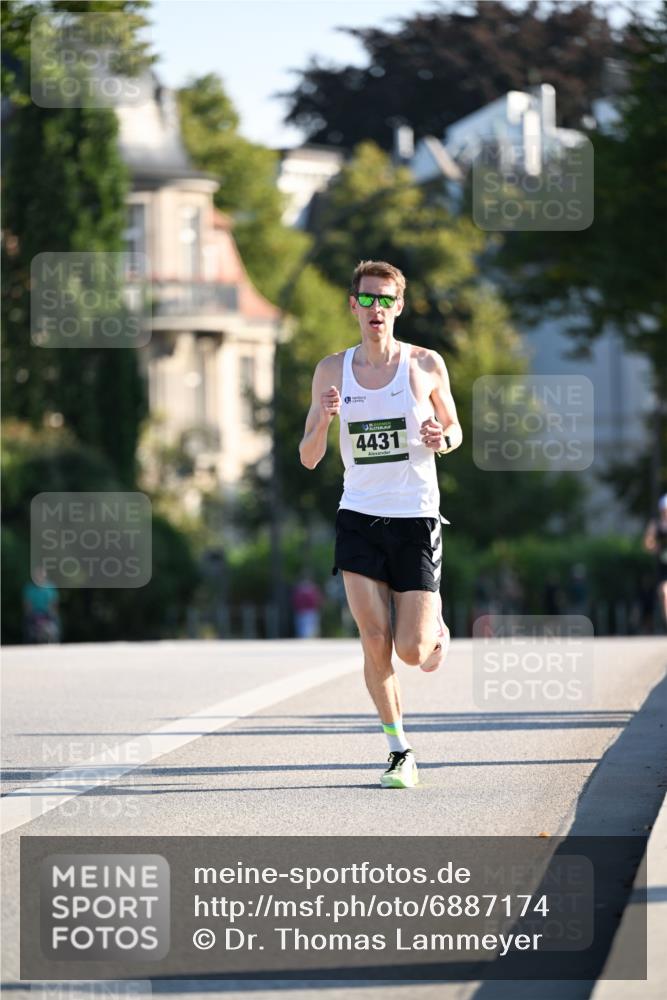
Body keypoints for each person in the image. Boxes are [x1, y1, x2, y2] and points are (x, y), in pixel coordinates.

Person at [299, 260, 462, 788]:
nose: (376, 308)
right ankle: (399, 750)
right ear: (354, 306)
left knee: (412, 651)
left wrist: (443, 439)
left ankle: (434, 631)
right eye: (367, 299)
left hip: (415, 516)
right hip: (359, 516)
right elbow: (308, 458)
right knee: (374, 638)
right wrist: (324, 420)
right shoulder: (332, 371)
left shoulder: (426, 364)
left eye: (385, 299)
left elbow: (455, 428)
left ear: (399, 306)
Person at [643, 493, 667, 629]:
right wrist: (654, 547)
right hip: (663, 567)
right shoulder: (656, 525)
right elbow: (648, 543)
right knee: (664, 593)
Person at [22, 565, 61, 643]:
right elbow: (28, 605)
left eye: (41, 574)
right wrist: (30, 615)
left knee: (55, 625)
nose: (39, 576)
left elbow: (53, 604)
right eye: (38, 574)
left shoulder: (50, 588)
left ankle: (55, 641)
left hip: (47, 613)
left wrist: (52, 615)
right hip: (34, 614)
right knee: (28, 626)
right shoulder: (29, 588)